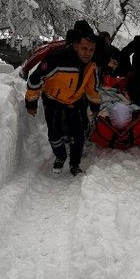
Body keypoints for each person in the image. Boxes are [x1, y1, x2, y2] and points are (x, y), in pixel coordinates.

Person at [24, 27, 101, 175]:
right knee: (54, 134)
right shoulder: (57, 59)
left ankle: (75, 164)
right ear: (75, 45)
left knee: (78, 135)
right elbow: (35, 80)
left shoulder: (92, 65)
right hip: (53, 100)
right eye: (84, 48)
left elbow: (93, 88)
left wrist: (95, 106)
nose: (88, 53)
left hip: (75, 101)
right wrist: (31, 102)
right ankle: (60, 156)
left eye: (91, 50)